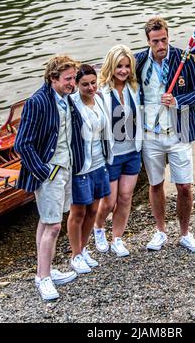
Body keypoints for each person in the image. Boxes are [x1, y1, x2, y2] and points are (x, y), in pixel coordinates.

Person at [135, 17, 195, 252]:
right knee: (156, 184)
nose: (161, 45)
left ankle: (186, 233)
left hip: (179, 133)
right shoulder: (137, 62)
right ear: (148, 41)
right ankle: (160, 232)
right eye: (156, 41)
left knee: (184, 186)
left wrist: (179, 100)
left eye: (164, 39)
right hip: (150, 136)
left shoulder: (184, 59)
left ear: (168, 36)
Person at [14, 55, 85, 301]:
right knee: (54, 226)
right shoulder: (37, 102)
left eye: (74, 78)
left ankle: (44, 271)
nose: (72, 84)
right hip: (49, 172)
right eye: (67, 79)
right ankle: (44, 279)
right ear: (53, 78)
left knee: (47, 222)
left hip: (65, 167)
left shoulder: (66, 99)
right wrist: (44, 172)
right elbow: (22, 144)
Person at [94, 44, 142, 257]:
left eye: (127, 66)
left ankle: (118, 239)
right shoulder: (101, 92)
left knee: (125, 197)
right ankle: (98, 228)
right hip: (111, 154)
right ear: (110, 66)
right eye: (119, 66)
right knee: (109, 201)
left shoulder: (134, 88)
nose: (123, 70)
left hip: (133, 151)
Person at [67, 64, 112, 273]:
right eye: (85, 84)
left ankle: (84, 249)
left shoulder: (100, 98)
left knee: (94, 208)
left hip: (99, 161)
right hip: (80, 165)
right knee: (78, 212)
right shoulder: (72, 105)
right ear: (76, 85)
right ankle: (75, 254)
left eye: (93, 83)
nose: (91, 87)